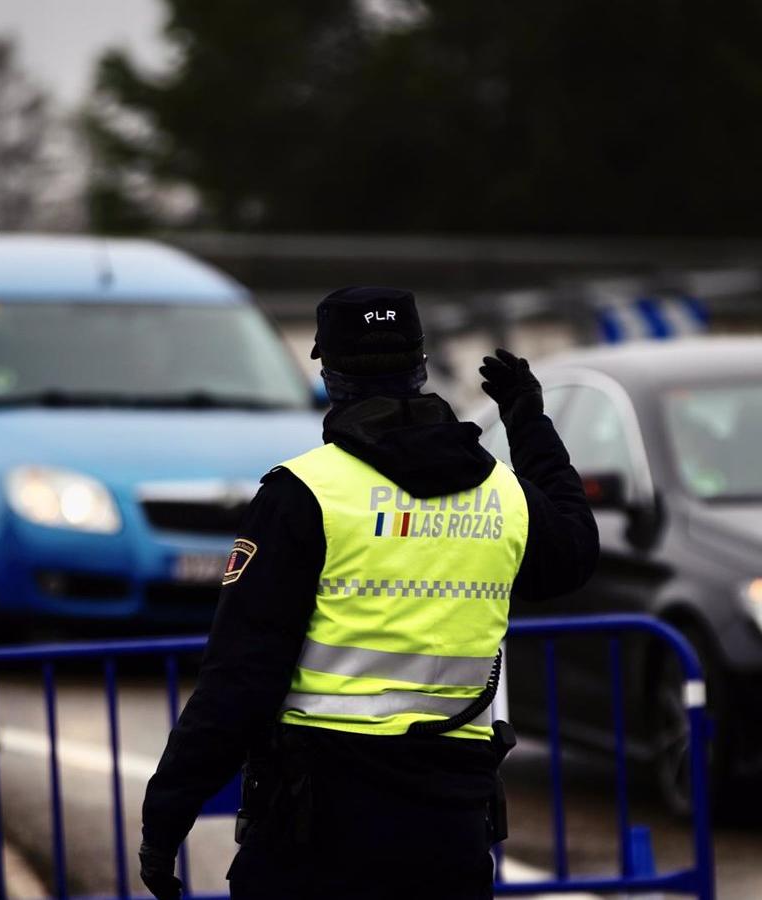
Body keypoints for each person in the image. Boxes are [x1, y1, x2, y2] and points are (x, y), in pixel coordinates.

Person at [138, 286, 599, 899]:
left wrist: (166, 816)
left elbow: (239, 681)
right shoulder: (504, 494)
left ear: (329, 373)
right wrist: (528, 422)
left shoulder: (303, 494)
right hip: (449, 834)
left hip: (316, 834)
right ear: (421, 365)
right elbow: (574, 552)